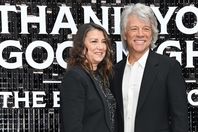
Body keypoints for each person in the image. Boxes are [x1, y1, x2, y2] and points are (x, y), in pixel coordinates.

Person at [111, 3, 189, 132]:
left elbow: (180, 118)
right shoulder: (116, 71)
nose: (140, 34)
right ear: (125, 34)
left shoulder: (168, 67)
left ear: (152, 34)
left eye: (146, 28)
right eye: (134, 29)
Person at [60, 23, 116, 132]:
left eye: (104, 42)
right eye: (94, 41)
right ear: (81, 46)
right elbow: (72, 127)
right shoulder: (74, 77)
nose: (100, 47)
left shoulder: (103, 76)